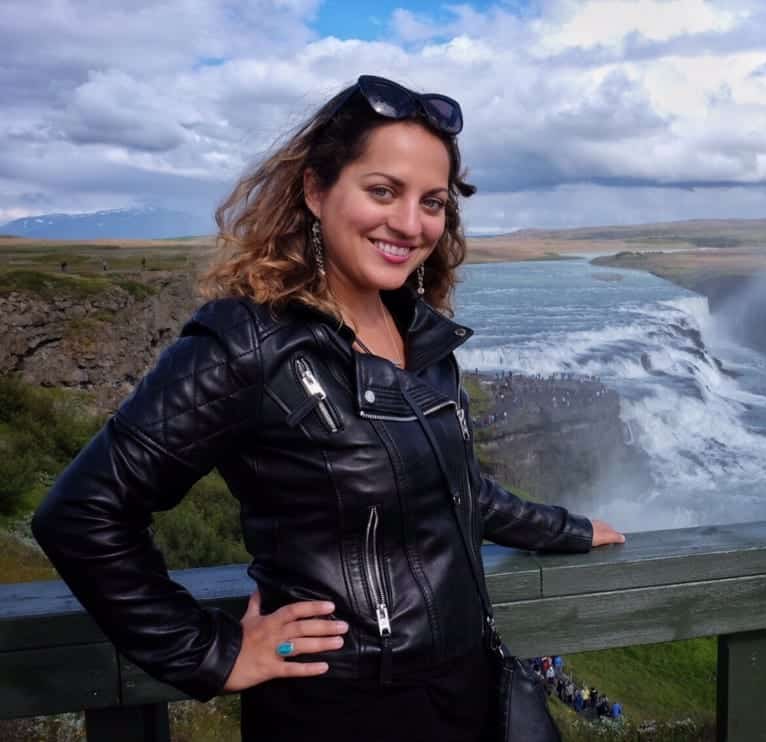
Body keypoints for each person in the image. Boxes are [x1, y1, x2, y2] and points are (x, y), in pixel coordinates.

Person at [30, 74, 626, 742]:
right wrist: (214, 652)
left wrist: (565, 528)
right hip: (343, 714)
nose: (410, 223)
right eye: (382, 191)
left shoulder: (422, 338)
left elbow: (456, 488)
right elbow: (82, 513)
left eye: (432, 202)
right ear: (316, 190)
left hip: (464, 695)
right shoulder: (247, 343)